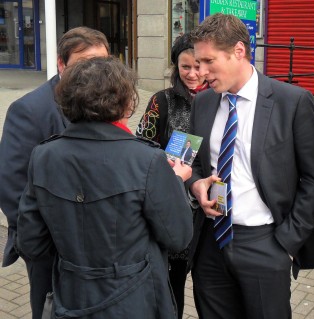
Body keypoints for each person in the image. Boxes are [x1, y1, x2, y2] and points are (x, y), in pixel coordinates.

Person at [16, 56, 193, 319]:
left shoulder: (43, 155)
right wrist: (175, 182)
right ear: (125, 102)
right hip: (134, 300)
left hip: (71, 296)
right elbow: (178, 236)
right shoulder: (146, 160)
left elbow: (30, 243)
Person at [186, 13, 314, 319]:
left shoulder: (292, 102)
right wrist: (195, 184)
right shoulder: (202, 102)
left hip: (266, 243)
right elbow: (192, 162)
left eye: (208, 62)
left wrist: (286, 246)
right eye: (198, 63)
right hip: (210, 243)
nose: (201, 72)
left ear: (238, 51)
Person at [0, 26, 109, 319]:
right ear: (61, 64)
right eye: (85, 63)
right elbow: (12, 188)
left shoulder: (106, 104)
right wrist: (42, 245)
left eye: (102, 63)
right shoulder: (29, 110)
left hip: (97, 251)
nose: (95, 71)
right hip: (50, 251)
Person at [136, 32, 208, 318]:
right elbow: (140, 147)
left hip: (209, 208)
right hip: (174, 209)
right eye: (185, 67)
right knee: (173, 284)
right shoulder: (161, 101)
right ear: (175, 67)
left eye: (198, 66)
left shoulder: (221, 98)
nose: (193, 74)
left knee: (207, 283)